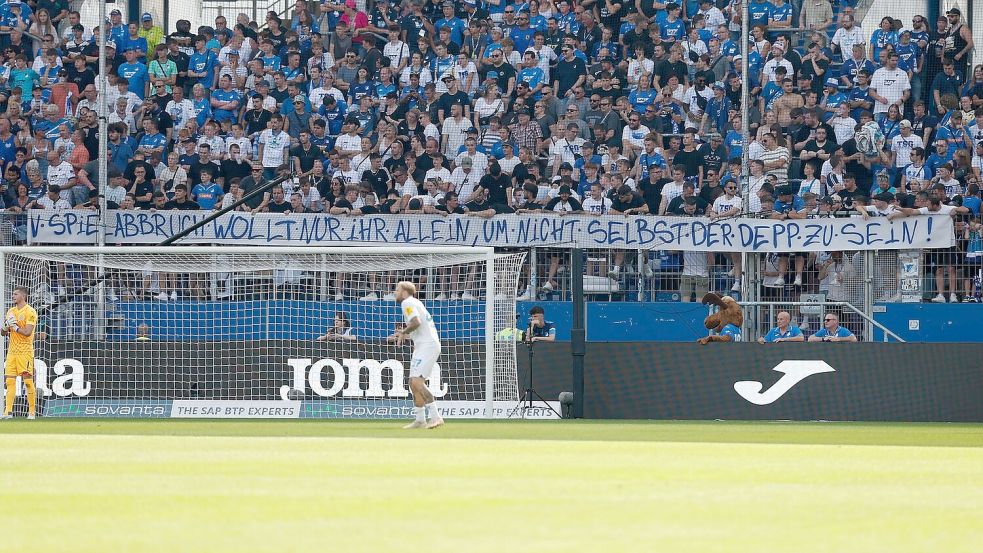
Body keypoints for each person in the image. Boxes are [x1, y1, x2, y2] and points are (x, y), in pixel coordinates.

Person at [392, 281, 444, 430]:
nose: (395, 292)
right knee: (412, 382)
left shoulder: (407, 303)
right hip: (423, 345)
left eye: (397, 290)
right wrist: (407, 335)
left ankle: (436, 417)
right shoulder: (414, 302)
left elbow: (416, 322)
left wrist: (403, 332)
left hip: (428, 345)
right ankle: (420, 420)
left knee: (417, 382)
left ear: (404, 292)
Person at [2, 286, 38, 419]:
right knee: (10, 381)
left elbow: (28, 332)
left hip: (25, 352)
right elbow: (3, 333)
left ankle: (32, 412)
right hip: (12, 352)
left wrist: (16, 327)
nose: (13, 296)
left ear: (23, 296)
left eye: (15, 294)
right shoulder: (10, 311)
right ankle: (8, 412)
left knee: (28, 381)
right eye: (13, 294)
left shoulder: (30, 312)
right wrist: (6, 327)